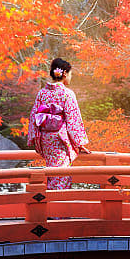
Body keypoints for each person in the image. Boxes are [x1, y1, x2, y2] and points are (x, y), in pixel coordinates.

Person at [28, 57, 90, 189]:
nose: (71, 77)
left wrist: (34, 138)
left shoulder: (42, 94)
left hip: (46, 139)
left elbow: (34, 117)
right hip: (60, 140)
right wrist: (80, 143)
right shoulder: (67, 94)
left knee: (52, 174)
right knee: (61, 175)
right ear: (65, 74)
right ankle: (57, 206)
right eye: (71, 74)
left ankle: (53, 205)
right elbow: (73, 120)